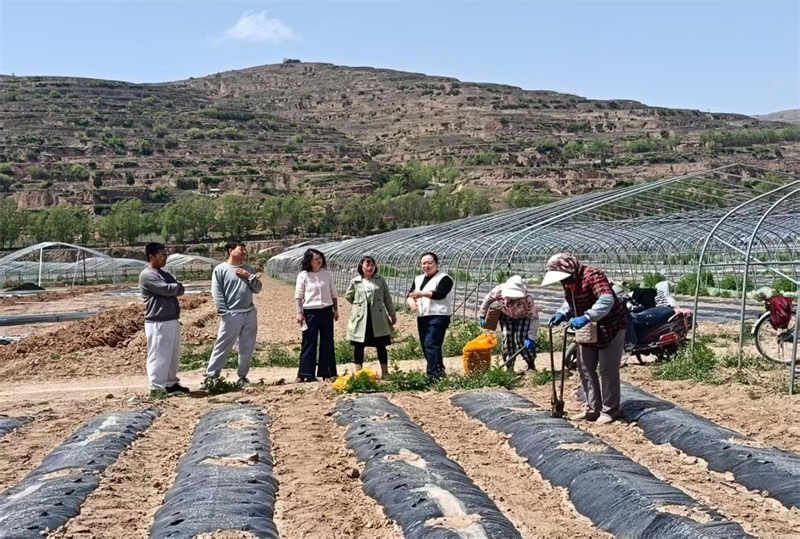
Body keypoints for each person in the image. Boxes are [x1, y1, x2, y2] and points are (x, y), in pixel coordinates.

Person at [544, 253, 627, 425]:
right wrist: (562, 313)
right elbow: (570, 301)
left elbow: (606, 299)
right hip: (588, 327)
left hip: (610, 326)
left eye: (563, 277)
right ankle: (592, 408)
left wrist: (587, 316)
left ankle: (609, 410)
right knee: (585, 367)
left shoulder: (593, 275)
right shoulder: (569, 282)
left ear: (571, 269)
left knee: (607, 369)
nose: (562, 282)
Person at [205, 242, 262, 388]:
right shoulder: (221, 270)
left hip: (248, 313)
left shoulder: (248, 269)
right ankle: (211, 376)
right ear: (230, 250)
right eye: (240, 249)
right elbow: (217, 293)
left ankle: (242, 377)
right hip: (231, 314)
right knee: (223, 345)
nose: (244, 251)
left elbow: (257, 289)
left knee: (247, 346)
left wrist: (249, 276)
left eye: (245, 249)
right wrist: (224, 311)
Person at [138, 242, 187, 396]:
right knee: (159, 354)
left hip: (171, 318)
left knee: (172, 353)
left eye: (166, 255)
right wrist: (175, 287)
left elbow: (180, 289)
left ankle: (171, 383)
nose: (165, 258)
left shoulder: (163, 274)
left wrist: (176, 287)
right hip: (158, 320)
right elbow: (168, 289)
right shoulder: (147, 275)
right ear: (151, 256)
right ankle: (156, 387)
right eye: (162, 255)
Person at [345, 256, 397, 378]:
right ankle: (358, 372)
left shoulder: (380, 280)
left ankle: (385, 372)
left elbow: (387, 298)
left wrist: (392, 313)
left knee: (381, 344)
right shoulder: (355, 281)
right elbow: (349, 296)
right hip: (361, 317)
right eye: (367, 265)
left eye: (372, 265)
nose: (370, 268)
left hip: (377, 316)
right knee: (359, 345)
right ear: (361, 267)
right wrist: (359, 305)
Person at [406, 252, 454, 383]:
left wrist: (422, 294)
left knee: (431, 343)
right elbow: (410, 294)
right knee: (426, 344)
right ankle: (439, 371)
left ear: (436, 264)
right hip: (423, 315)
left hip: (439, 315)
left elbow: (440, 294)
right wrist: (410, 301)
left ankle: (432, 375)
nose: (426, 266)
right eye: (423, 263)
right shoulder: (418, 279)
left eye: (429, 263)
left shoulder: (445, 278)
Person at [478, 275, 540, 372]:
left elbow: (534, 318)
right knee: (507, 338)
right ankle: (509, 367)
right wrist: (482, 314)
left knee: (521, 339)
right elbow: (488, 299)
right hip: (506, 316)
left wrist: (531, 337)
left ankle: (531, 364)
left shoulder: (527, 299)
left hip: (523, 317)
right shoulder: (498, 291)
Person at [295, 249, 339, 383]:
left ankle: (327, 373)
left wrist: (335, 310)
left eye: (320, 258)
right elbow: (299, 295)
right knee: (308, 343)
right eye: (316, 258)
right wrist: (299, 312)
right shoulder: (303, 276)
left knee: (327, 342)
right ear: (309, 261)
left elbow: (333, 294)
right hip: (310, 313)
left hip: (326, 311)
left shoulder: (327, 275)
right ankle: (305, 373)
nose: (319, 261)